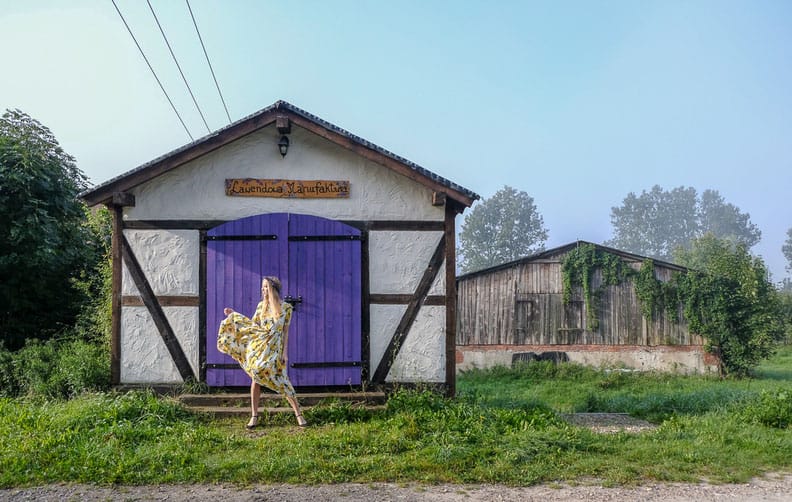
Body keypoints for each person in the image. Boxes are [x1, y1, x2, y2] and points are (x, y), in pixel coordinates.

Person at [217, 276, 307, 429]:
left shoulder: (286, 308)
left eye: (266, 287)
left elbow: (285, 332)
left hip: (275, 349)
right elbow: (251, 326)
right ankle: (254, 416)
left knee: (282, 380)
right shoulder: (261, 307)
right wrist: (234, 315)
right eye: (262, 287)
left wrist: (285, 353)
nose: (263, 290)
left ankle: (298, 414)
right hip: (259, 347)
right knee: (256, 376)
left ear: (273, 289)